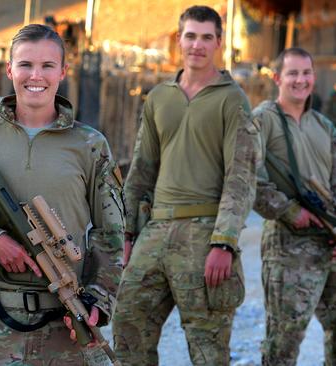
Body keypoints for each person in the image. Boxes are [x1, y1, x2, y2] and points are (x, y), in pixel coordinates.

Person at [0, 24, 124, 365]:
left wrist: (97, 301)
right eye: (26, 64)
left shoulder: (90, 145)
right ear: (10, 69)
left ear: (63, 72)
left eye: (47, 66)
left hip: (65, 316)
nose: (36, 75)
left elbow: (112, 235)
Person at [111, 5, 259, 365]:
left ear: (219, 43)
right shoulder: (159, 97)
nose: (197, 45)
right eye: (190, 36)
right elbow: (141, 170)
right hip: (155, 231)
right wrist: (127, 235)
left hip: (205, 233)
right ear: (179, 40)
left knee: (208, 348)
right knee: (127, 326)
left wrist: (224, 240)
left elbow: (241, 176)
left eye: (207, 37)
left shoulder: (232, 99)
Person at [252, 47, 336, 366]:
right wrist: (291, 212)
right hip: (289, 245)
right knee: (283, 343)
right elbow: (250, 181)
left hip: (333, 245)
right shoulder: (262, 121)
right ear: (278, 78)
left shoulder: (324, 126)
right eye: (293, 73)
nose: (300, 80)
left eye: (306, 73)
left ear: (314, 77)